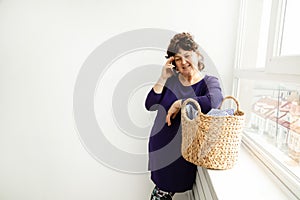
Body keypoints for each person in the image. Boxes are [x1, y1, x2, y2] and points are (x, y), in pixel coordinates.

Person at [145, 32, 223, 200]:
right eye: (178, 59)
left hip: (183, 155)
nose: (183, 62)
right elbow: (150, 104)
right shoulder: (171, 80)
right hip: (161, 149)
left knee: (166, 192)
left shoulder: (209, 82)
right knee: (161, 192)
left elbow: (214, 101)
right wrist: (162, 77)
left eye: (187, 55)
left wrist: (180, 103)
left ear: (197, 55)